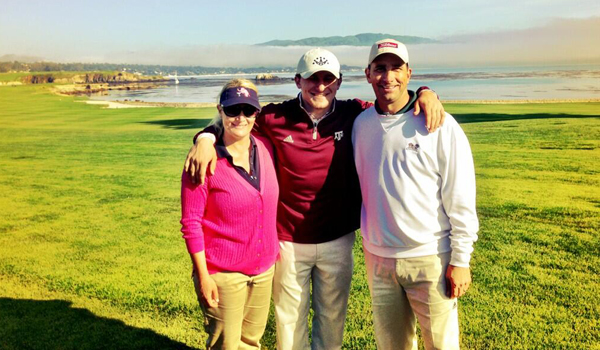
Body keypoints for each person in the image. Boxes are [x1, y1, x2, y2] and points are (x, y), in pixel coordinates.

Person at [185, 48, 446, 350]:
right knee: (289, 322)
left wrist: (425, 93)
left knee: (332, 320)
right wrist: (205, 137)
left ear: (338, 82)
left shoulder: (355, 113)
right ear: (298, 80)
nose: (320, 86)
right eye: (312, 79)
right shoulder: (274, 117)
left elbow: (393, 103)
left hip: (337, 239)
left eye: (328, 79)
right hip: (288, 241)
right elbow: (236, 120)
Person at [352, 39, 479, 350]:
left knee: (441, 345)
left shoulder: (439, 124)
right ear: (368, 74)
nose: (388, 77)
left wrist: (461, 259)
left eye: (396, 68)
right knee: (391, 345)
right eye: (380, 68)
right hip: (379, 259)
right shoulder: (360, 124)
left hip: (430, 257)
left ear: (409, 73)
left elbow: (460, 196)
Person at [180, 79, 279, 350]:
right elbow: (191, 224)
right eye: (233, 110)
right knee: (225, 345)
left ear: (256, 113)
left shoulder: (266, 148)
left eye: (248, 110)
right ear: (220, 110)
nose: (241, 118)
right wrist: (203, 275)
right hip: (222, 274)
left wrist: (205, 136)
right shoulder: (203, 161)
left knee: (251, 342)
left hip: (263, 270)